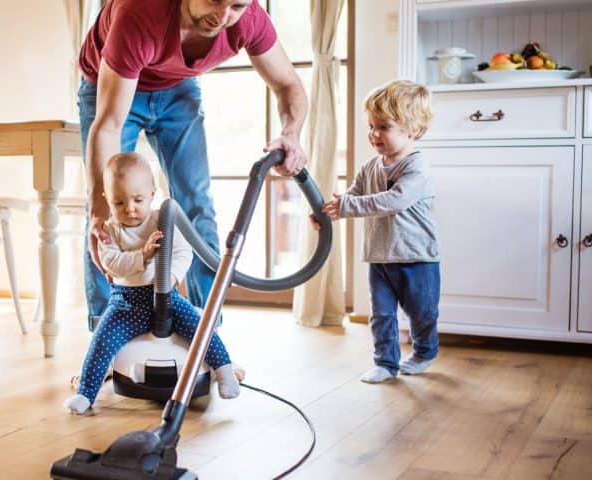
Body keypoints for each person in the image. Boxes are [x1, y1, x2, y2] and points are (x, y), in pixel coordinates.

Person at [78, 0, 308, 328]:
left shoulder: (249, 18)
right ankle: (106, 343)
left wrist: (291, 132)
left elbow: (288, 85)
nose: (223, 15)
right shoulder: (140, 12)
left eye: (236, 5)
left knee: (197, 206)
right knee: (107, 214)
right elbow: (109, 125)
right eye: (215, 0)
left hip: (176, 87)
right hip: (108, 86)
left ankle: (206, 339)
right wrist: (98, 211)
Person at [65, 152, 243, 414]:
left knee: (200, 327)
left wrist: (170, 278)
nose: (130, 208)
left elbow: (184, 252)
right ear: (107, 199)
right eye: (118, 202)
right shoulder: (109, 231)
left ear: (152, 193)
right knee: (102, 341)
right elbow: (111, 263)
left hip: (167, 298)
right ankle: (86, 393)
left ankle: (224, 370)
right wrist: (142, 255)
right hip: (125, 304)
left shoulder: (164, 218)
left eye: (138, 200)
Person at [313, 80, 441, 384]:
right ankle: (385, 362)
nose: (373, 134)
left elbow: (394, 201)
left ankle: (424, 352)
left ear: (413, 129)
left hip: (416, 258)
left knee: (421, 314)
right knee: (381, 314)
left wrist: (347, 206)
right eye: (371, 125)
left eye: (383, 126)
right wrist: (328, 212)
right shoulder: (370, 166)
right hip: (380, 256)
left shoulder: (417, 167)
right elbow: (353, 197)